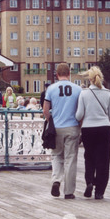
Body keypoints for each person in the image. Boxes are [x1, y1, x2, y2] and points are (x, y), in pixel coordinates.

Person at [75, 66, 110, 200]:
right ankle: (99, 191)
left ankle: (89, 182)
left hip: (88, 129)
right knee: (103, 161)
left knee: (90, 158)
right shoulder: (107, 94)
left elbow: (79, 115)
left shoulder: (84, 93)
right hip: (104, 129)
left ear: (89, 79)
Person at [43, 63, 82, 199]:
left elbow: (45, 110)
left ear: (57, 74)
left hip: (57, 128)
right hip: (72, 127)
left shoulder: (51, 89)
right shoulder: (78, 89)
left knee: (56, 156)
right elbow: (81, 111)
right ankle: (69, 191)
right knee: (70, 159)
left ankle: (56, 180)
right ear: (69, 73)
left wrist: (50, 122)